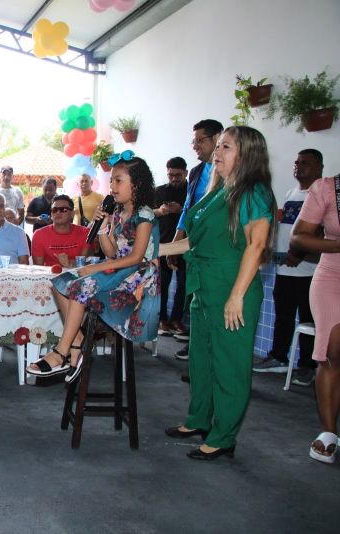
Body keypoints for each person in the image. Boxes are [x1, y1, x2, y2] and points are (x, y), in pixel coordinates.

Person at [163, 126, 275, 461]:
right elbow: (191, 242)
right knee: (201, 361)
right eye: (219, 146)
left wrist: (237, 295)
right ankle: (198, 420)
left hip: (232, 289)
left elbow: (256, 245)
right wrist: (147, 251)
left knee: (229, 366)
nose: (217, 152)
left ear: (247, 154)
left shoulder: (254, 192)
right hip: (205, 289)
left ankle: (223, 436)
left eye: (226, 146)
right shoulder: (218, 191)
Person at [27, 155, 159, 384]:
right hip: (118, 269)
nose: (112, 187)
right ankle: (77, 342)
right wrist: (102, 228)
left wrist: (97, 267)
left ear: (136, 184)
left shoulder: (144, 214)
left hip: (138, 277)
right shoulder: (118, 213)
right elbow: (111, 252)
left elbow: (137, 257)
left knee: (80, 286)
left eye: (118, 181)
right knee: (61, 282)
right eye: (111, 182)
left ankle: (61, 351)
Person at [253, 149, 322, 385]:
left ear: (319, 168)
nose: (298, 166)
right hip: (284, 269)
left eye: (305, 163)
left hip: (307, 271)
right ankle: (279, 357)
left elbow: (320, 230)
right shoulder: (292, 192)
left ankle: (307, 366)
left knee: (308, 318)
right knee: (283, 316)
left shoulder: (321, 193)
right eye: (296, 162)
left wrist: (300, 254)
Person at [290, 171, 340, 464]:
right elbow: (299, 236)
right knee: (332, 352)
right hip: (332, 275)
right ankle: (329, 433)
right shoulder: (328, 188)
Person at [168, 119, 224, 362]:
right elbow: (188, 211)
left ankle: (212, 354)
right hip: (193, 246)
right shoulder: (196, 172)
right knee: (195, 297)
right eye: (194, 140)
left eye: (200, 140)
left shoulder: (229, 174)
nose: (195, 146)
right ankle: (196, 348)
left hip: (218, 249)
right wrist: (174, 244)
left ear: (217, 139)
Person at [154, 157, 188, 338]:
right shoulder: (159, 192)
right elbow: (148, 213)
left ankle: (176, 319)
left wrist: (181, 210)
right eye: (171, 175)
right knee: (162, 285)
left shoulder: (192, 191)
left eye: (178, 175)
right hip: (163, 245)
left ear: (186, 173)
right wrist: (160, 210)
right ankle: (162, 320)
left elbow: (196, 215)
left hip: (185, 246)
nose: (174, 178)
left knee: (184, 284)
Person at [31, 194, 91, 267]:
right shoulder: (39, 235)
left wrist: (69, 263)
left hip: (79, 275)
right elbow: (38, 268)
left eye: (63, 209)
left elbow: (86, 263)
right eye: (54, 210)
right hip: (49, 276)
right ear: (51, 214)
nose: (58, 212)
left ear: (72, 214)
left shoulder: (86, 233)